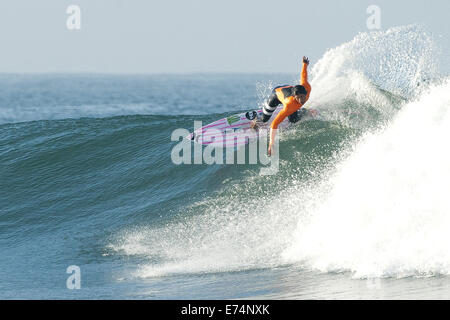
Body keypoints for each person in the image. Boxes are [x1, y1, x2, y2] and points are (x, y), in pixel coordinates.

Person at [253, 56, 316, 156]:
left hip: (290, 89)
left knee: (293, 120)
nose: (300, 100)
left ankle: (305, 111)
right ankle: (256, 119)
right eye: (297, 97)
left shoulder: (307, 87)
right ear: (294, 96)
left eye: (302, 97)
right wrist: (271, 145)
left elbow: (303, 76)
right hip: (276, 95)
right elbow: (274, 124)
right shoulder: (289, 105)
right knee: (264, 119)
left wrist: (305, 64)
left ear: (306, 93)